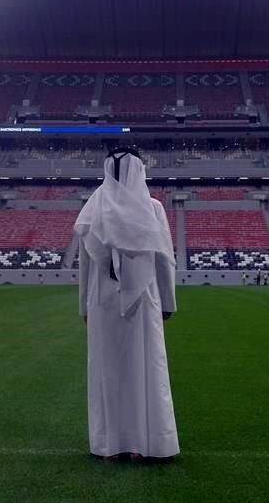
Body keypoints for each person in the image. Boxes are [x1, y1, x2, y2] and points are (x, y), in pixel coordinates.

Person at [75, 147, 179, 462]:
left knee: (108, 371)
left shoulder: (93, 208)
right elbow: (165, 260)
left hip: (102, 302)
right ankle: (147, 444)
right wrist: (169, 302)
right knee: (146, 368)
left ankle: (109, 445)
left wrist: (84, 307)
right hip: (144, 300)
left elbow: (85, 266)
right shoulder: (152, 208)